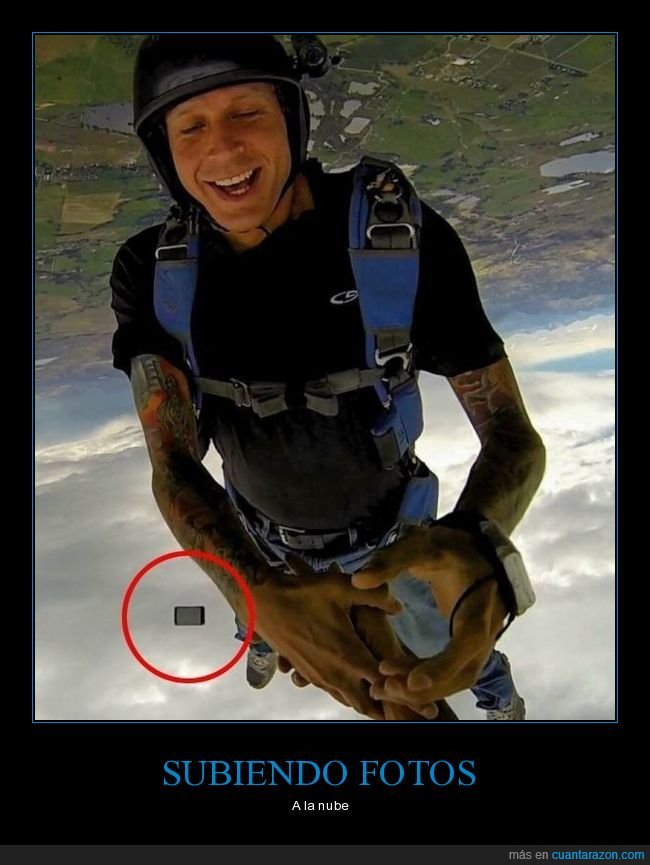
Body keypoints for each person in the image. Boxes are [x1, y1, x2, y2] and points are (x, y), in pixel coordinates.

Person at [110, 34, 546, 721]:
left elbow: (512, 433)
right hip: (260, 537)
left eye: (246, 113)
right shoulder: (153, 273)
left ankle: (495, 693)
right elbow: (173, 465)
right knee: (261, 610)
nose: (222, 147)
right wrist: (257, 593)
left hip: (396, 535)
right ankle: (261, 628)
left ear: (290, 116)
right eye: (190, 126)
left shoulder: (393, 237)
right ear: (165, 150)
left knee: (440, 645)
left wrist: (476, 538)